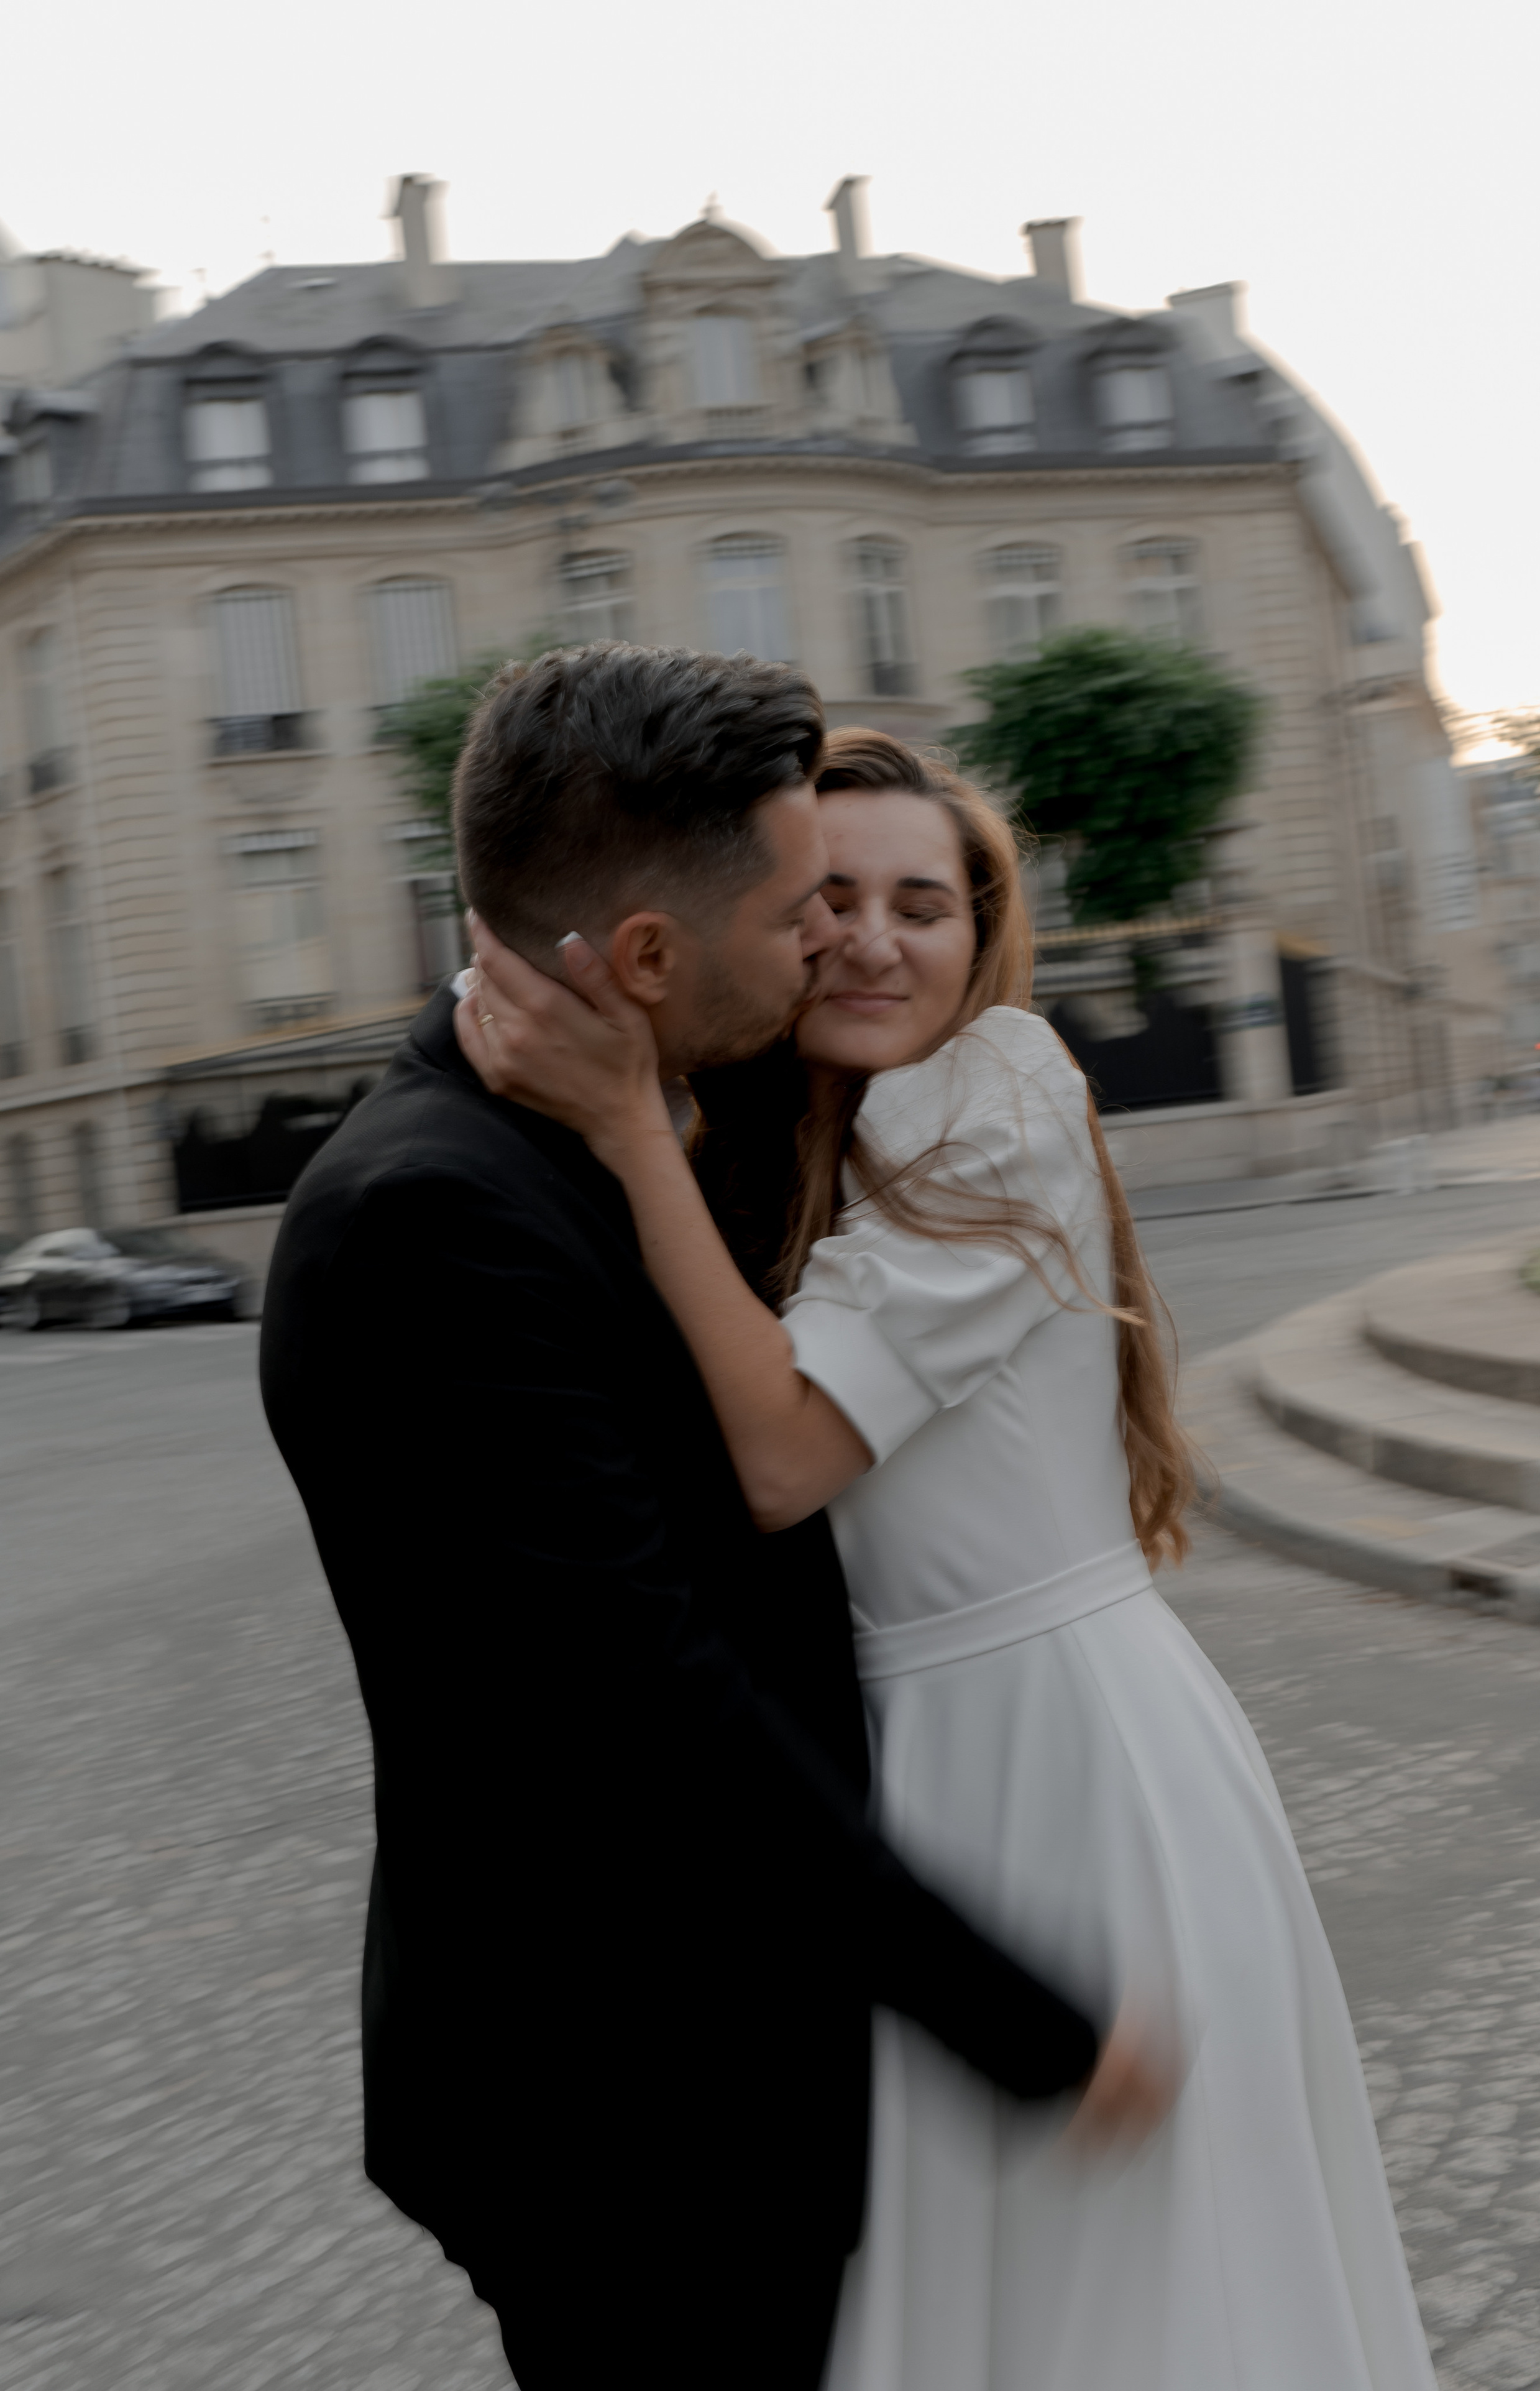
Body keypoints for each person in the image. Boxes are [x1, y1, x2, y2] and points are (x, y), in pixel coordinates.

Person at [460, 724, 1440, 2391]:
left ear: (985, 938)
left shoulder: (997, 1090)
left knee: (1132, 2303)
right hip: (912, 1781)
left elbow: (782, 1458)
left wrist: (624, 1127)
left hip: (1064, 1756)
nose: (873, 939)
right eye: (827, 898)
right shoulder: (797, 1138)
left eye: (928, 903)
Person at [258, 648, 1168, 2391]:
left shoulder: (641, 1125)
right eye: (797, 912)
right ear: (654, 958)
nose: (831, 945)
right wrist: (1025, 2023)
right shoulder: (428, 1223)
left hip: (740, 2066)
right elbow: (654, 1701)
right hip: (637, 2115)